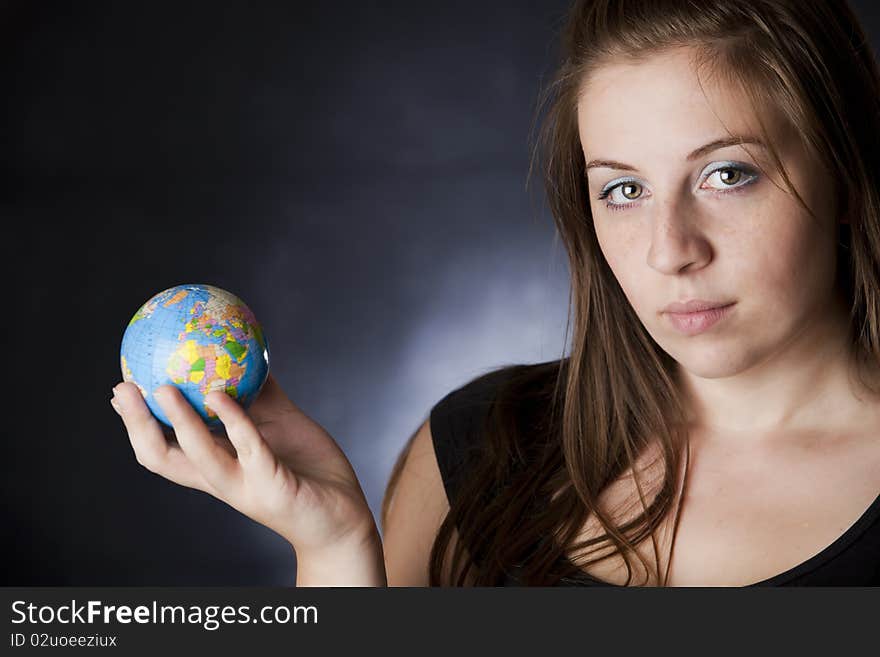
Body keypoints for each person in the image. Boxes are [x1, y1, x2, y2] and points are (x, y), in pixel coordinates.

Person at [110, 0, 880, 586]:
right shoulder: (479, 453)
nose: (670, 249)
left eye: (728, 174)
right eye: (622, 189)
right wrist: (333, 545)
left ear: (845, 174)